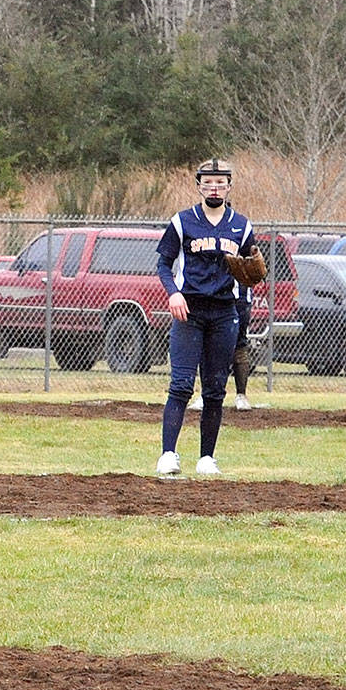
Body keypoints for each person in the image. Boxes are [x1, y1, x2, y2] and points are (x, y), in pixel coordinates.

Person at [155, 158, 252, 477]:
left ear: (229, 186)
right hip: (190, 311)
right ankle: (168, 454)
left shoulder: (242, 225)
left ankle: (206, 457)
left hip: (225, 312)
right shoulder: (183, 221)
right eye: (208, 182)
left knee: (214, 389)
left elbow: (252, 268)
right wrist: (173, 293)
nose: (214, 187)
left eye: (220, 182)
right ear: (198, 186)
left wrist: (251, 277)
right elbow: (163, 264)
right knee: (181, 384)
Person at [187, 287, 253, 412]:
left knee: (239, 343)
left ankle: (241, 395)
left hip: (240, 297)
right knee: (208, 345)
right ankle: (206, 393)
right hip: (215, 296)